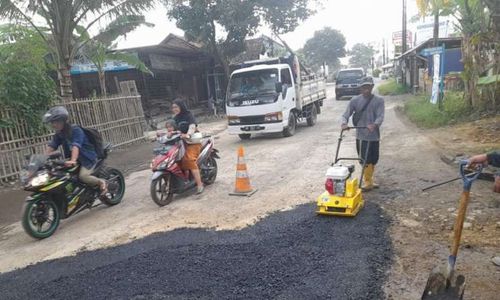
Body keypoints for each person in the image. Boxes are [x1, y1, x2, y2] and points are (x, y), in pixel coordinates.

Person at [43, 106, 107, 194]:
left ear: (63, 121)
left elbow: (76, 146)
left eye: (56, 121)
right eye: (52, 122)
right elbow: (52, 146)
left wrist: (73, 160)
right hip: (73, 160)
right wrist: (42, 159)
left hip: (87, 159)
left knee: (83, 176)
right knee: (60, 176)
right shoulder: (59, 134)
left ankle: (101, 182)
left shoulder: (76, 130)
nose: (54, 124)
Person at [341, 76, 385, 191]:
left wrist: (374, 124)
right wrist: (344, 123)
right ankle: (367, 181)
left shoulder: (379, 101)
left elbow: (380, 115)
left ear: (372, 87)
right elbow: (346, 114)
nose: (366, 90)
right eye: (364, 87)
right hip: (361, 135)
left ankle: (369, 179)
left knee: (374, 158)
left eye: (368, 87)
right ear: (360, 88)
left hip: (374, 135)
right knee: (364, 158)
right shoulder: (355, 100)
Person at [171, 99, 204, 194]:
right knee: (176, 160)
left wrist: (188, 134)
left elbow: (192, 126)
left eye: (176, 107)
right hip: (181, 142)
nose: (174, 109)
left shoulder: (189, 115)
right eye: (173, 107)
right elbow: (171, 128)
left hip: (192, 141)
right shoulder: (175, 118)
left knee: (189, 159)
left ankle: (199, 184)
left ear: (181, 106)